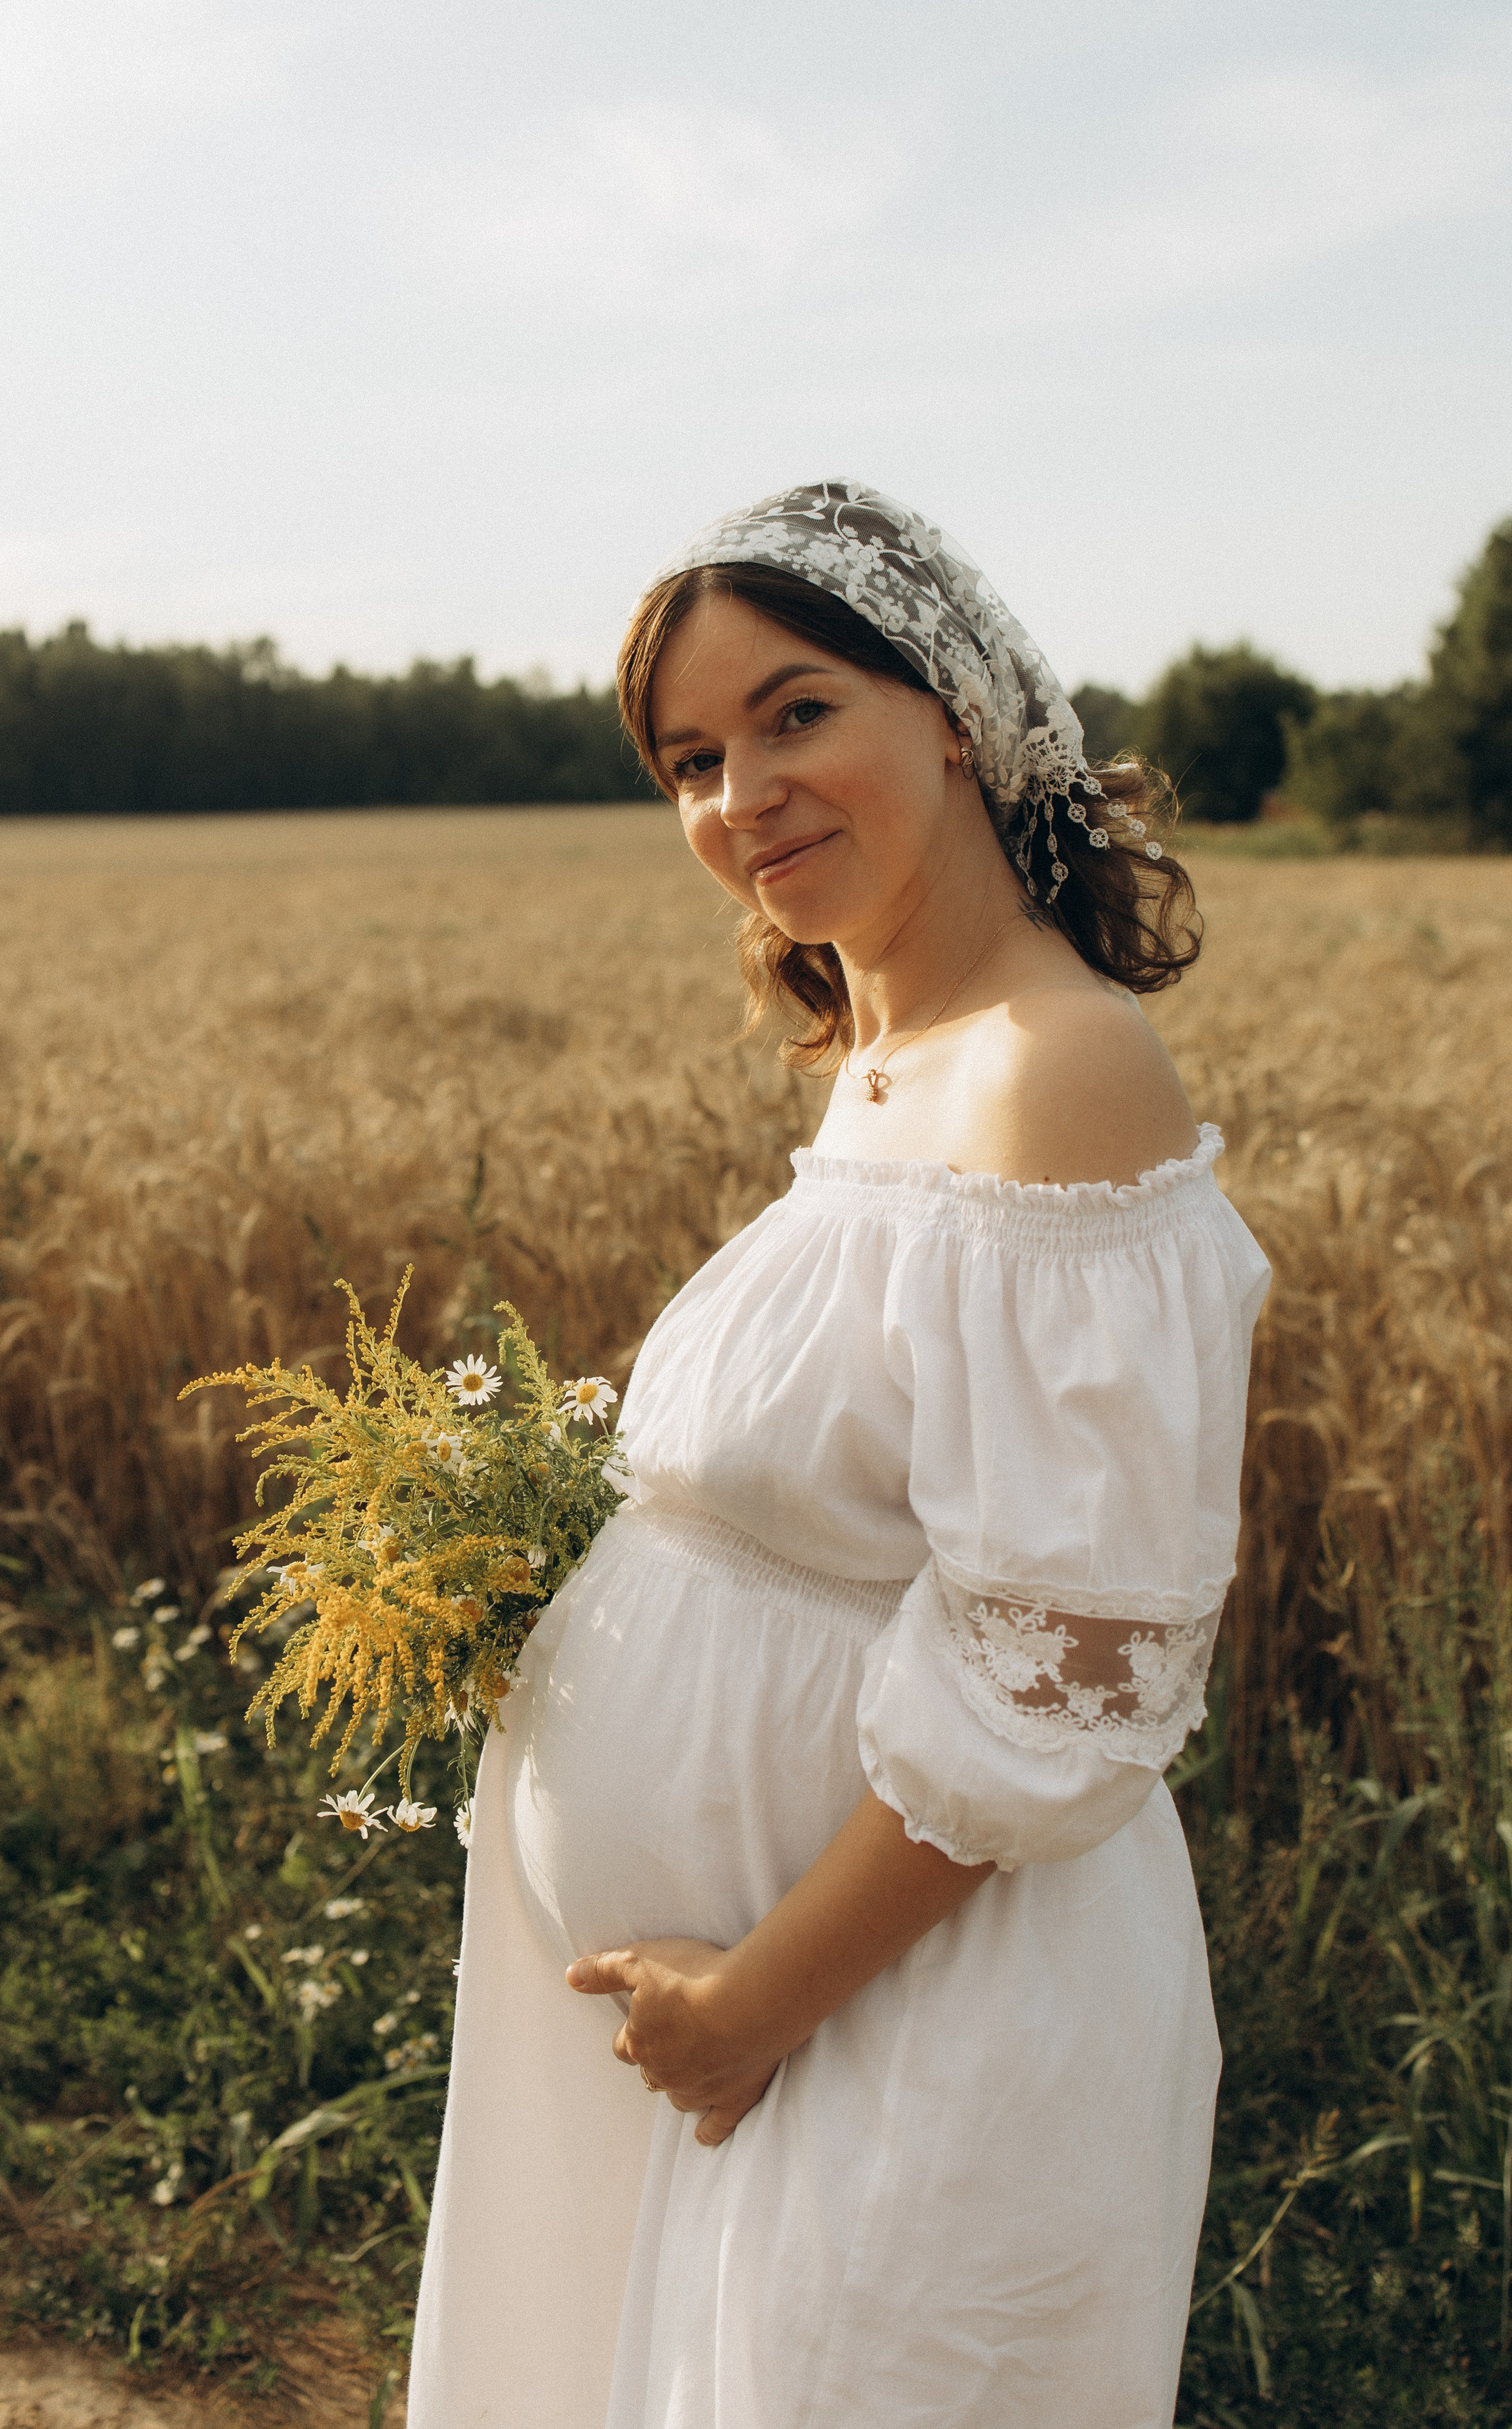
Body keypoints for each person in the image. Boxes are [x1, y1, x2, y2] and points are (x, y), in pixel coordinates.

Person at [406, 480, 1271, 2429]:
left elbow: (1075, 1661)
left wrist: (757, 2001)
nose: (742, 797)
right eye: (691, 761)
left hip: (907, 2027)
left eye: (797, 714)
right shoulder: (889, 1063)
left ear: (950, 712)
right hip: (757, 2034)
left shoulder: (1056, 1068)